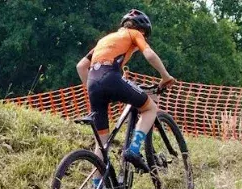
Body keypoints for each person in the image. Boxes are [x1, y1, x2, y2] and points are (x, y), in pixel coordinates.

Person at [76, 9, 177, 175]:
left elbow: (81, 66)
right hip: (111, 76)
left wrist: (94, 89)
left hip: (93, 83)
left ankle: (96, 188)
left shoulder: (105, 39)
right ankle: (134, 150)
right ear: (142, 30)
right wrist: (165, 76)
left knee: (101, 144)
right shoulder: (134, 33)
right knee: (150, 108)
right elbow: (149, 54)